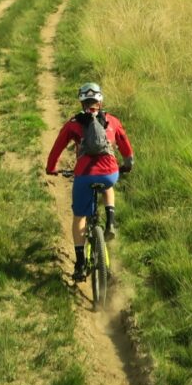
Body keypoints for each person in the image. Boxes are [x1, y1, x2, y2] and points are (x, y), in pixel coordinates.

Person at [45, 82, 134, 282]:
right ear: (100, 102)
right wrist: (128, 162)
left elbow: (57, 149)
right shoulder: (112, 120)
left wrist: (51, 168)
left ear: (82, 102)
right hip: (109, 173)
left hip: (84, 176)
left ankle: (80, 263)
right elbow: (125, 144)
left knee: (80, 217)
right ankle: (110, 221)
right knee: (109, 185)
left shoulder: (73, 123)